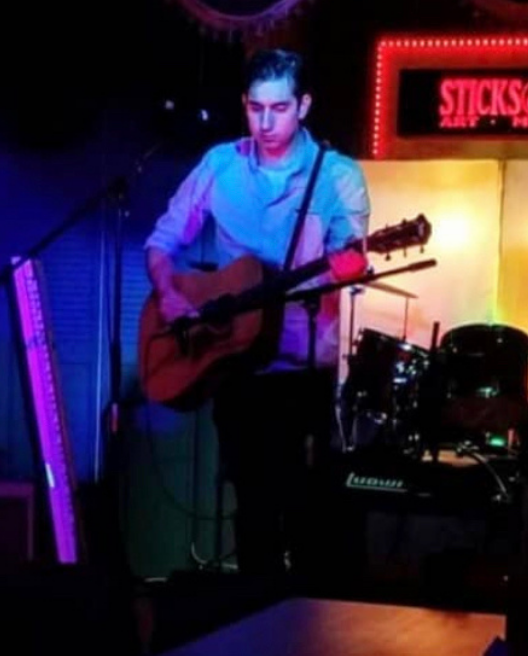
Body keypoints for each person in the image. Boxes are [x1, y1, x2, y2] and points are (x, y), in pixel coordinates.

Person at [145, 47, 370, 578]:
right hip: (236, 369)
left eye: (280, 109)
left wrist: (348, 266)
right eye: (255, 108)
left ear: (305, 105)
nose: (266, 123)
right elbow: (161, 241)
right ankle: (254, 639)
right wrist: (171, 293)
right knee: (252, 519)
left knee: (305, 518)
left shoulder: (336, 176)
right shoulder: (220, 165)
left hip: (301, 374)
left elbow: (352, 257)